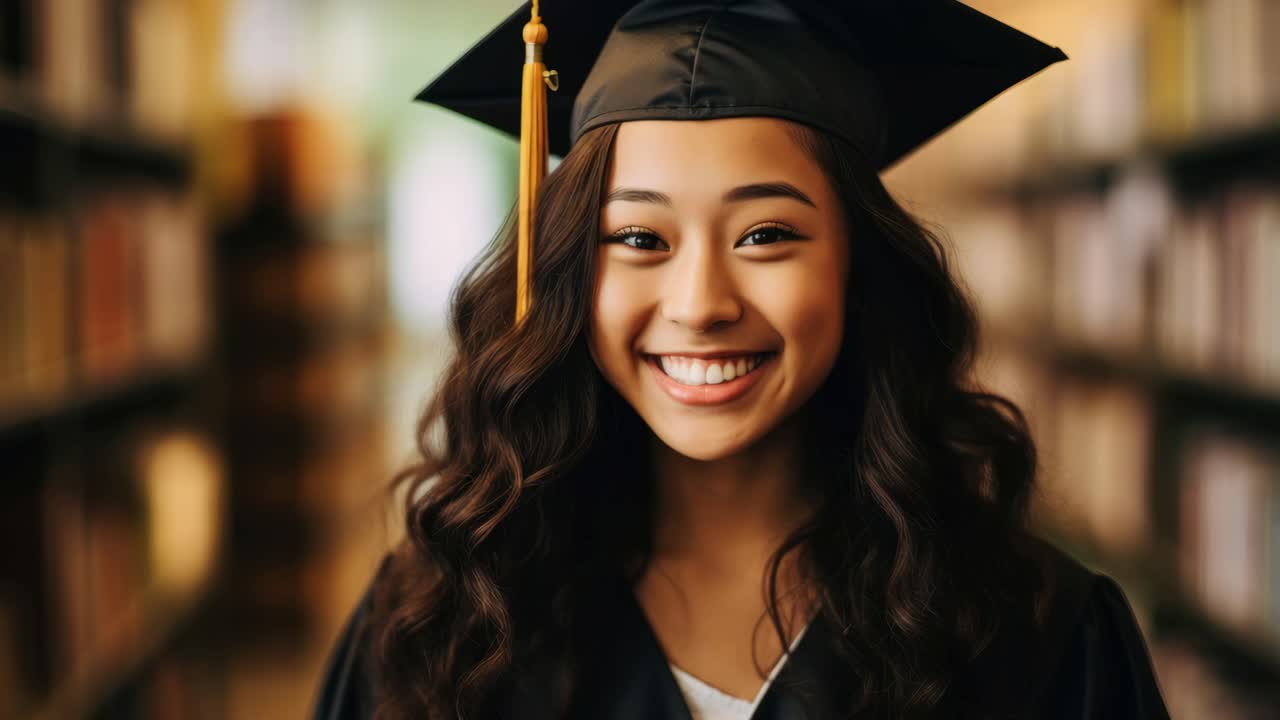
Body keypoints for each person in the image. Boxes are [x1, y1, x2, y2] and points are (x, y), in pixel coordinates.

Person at [314, 1, 1173, 718]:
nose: (699, 303)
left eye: (767, 234)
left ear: (856, 266)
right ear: (572, 271)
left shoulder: (1034, 638)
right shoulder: (445, 626)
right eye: (639, 237)